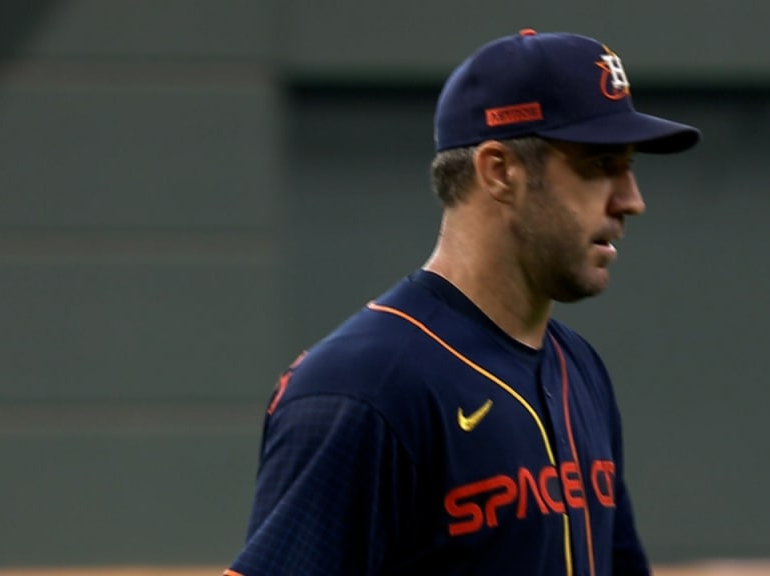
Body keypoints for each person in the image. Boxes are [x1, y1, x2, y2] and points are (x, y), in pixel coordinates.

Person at [224, 28, 700, 576]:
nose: (632, 200)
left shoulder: (579, 369)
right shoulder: (361, 389)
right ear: (500, 172)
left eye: (630, 167)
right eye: (600, 165)